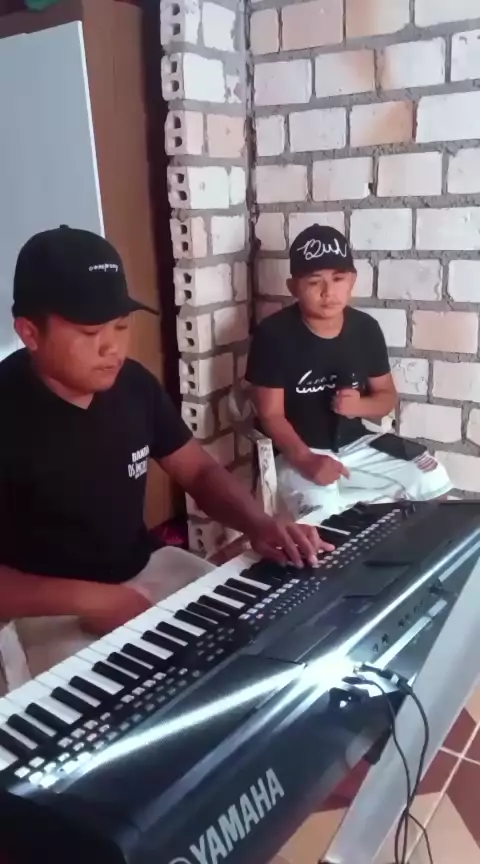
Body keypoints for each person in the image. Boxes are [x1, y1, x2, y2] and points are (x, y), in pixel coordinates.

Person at [0, 226, 331, 684]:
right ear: (30, 333)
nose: (113, 348)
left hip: (143, 568)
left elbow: (196, 470)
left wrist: (260, 524)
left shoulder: (133, 385)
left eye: (121, 326)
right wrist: (95, 600)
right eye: (91, 331)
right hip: (46, 607)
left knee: (261, 647)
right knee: (117, 712)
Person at [246, 224, 452, 520]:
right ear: (293, 288)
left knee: (432, 479)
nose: (328, 292)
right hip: (298, 450)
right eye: (314, 282)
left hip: (358, 444)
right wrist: (306, 459)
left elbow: (386, 397)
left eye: (338, 279)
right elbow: (270, 415)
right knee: (323, 515)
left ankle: (410, 548)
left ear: (352, 280)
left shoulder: (365, 329)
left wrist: (359, 406)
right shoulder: (273, 335)